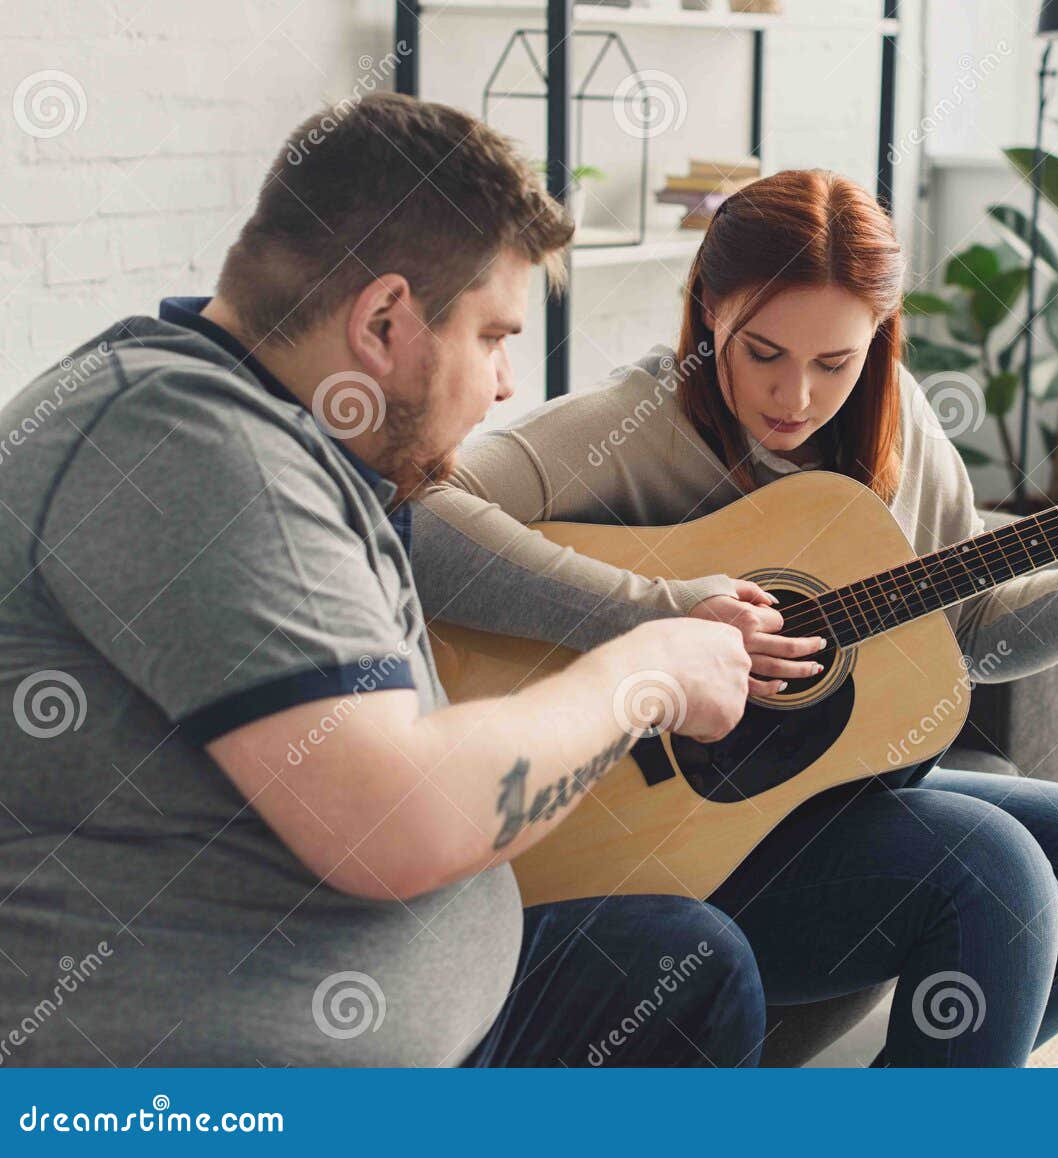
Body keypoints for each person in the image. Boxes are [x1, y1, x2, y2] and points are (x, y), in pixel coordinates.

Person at [413, 169, 1058, 1066]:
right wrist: (660, 615)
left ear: (878, 342)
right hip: (651, 833)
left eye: (835, 363)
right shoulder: (641, 420)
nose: (797, 398)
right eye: (761, 352)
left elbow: (975, 640)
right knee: (992, 867)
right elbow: (417, 511)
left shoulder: (900, 431)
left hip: (813, 798)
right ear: (707, 317)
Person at [0, 94, 761, 1067]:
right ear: (386, 321)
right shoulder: (178, 441)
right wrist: (640, 675)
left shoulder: (285, 433)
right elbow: (389, 828)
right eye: (493, 337)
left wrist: (660, 611)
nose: (503, 386)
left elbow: (443, 543)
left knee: (685, 967)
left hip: (422, 1023)